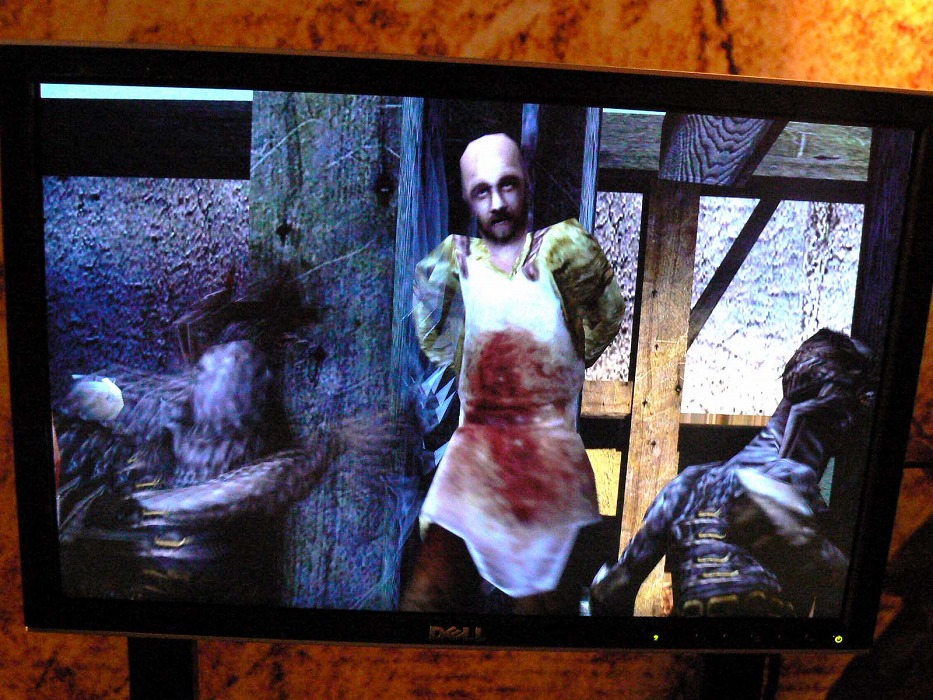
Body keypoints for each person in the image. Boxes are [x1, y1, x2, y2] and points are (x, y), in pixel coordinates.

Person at [401, 133, 624, 614]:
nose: (498, 203)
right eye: (482, 191)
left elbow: (601, 322)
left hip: (548, 463)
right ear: (468, 198)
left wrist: (553, 370)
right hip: (473, 464)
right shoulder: (455, 262)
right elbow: (439, 345)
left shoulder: (563, 250)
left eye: (508, 185)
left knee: (540, 618)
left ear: (526, 182)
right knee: (427, 600)